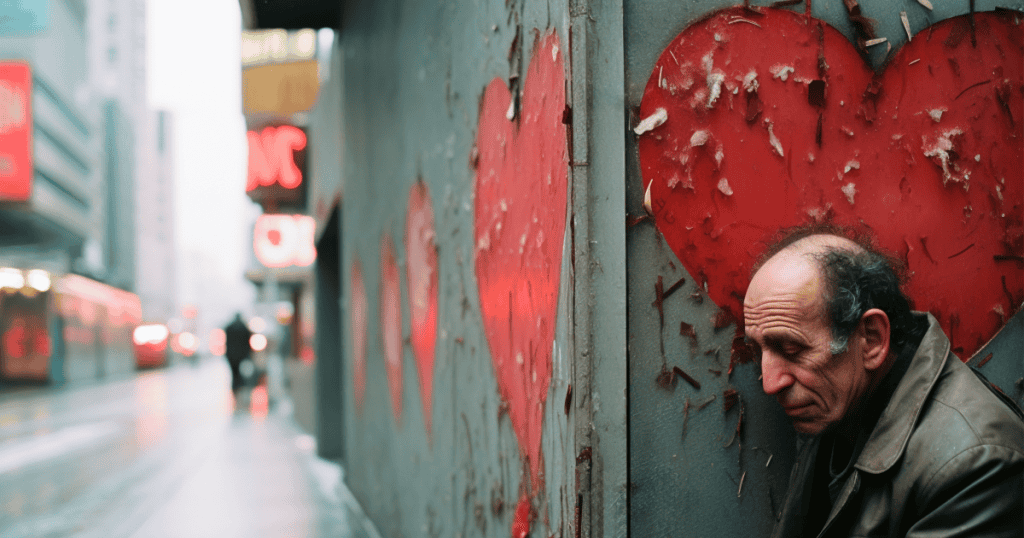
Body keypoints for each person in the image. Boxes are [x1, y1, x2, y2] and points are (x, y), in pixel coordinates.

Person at [743, 226, 1023, 538]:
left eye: (792, 350)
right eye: (758, 351)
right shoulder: (839, 400)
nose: (770, 383)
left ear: (872, 339)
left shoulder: (976, 468)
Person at [224, 313, 253, 393]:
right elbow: (248, 342)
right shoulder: (244, 327)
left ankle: (235, 387)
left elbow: (226, 342)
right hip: (241, 354)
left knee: (234, 372)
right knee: (241, 372)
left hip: (231, 355)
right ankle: (240, 386)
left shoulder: (229, 327)